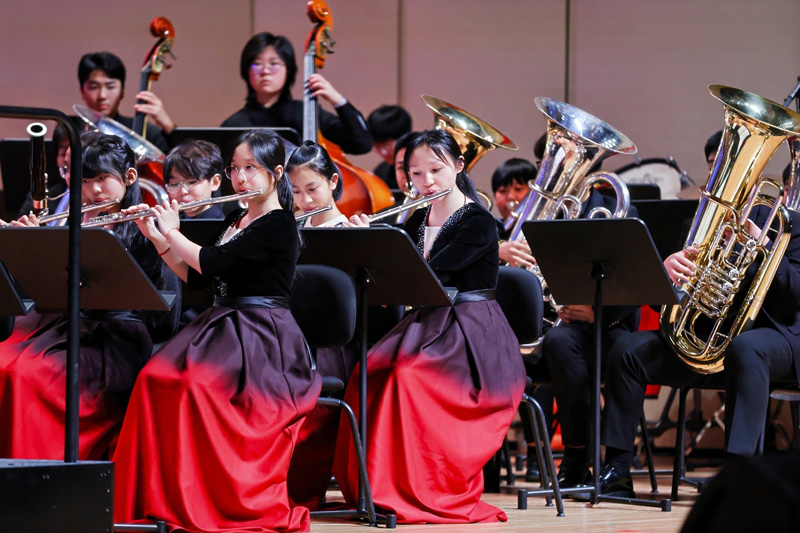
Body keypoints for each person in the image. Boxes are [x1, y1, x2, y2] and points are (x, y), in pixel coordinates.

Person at [113, 129, 321, 532]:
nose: (240, 178)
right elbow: (197, 278)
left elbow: (210, 261)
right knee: (155, 377)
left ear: (277, 172)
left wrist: (172, 230)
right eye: (234, 169)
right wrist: (155, 236)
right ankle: (161, 496)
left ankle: (202, 498)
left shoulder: (279, 222)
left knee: (197, 388)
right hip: (223, 323)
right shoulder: (235, 218)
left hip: (262, 334)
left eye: (250, 168)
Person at [335, 130, 525, 523]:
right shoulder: (417, 218)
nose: (427, 181)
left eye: (436, 170)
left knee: (406, 375)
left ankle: (414, 489)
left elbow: (426, 276)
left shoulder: (479, 222)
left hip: (471, 331)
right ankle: (374, 486)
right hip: (428, 322)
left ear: (459, 166)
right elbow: (393, 277)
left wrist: (379, 245)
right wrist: (363, 243)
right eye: (416, 173)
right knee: (368, 370)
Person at [594, 203, 800, 497]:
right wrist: (665, 272)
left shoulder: (788, 224)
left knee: (746, 348)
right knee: (627, 350)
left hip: (775, 336)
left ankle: (738, 478)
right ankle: (617, 470)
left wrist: (765, 245)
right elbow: (664, 305)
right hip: (707, 338)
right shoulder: (698, 223)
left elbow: (796, 294)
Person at [0, 132, 179, 460]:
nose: (93, 190)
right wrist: (31, 245)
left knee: (23, 375)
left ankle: (41, 470)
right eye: (84, 180)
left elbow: (165, 314)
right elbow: (50, 288)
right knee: (4, 367)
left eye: (101, 178)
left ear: (129, 176)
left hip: (115, 339)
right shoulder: (76, 218)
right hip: (69, 329)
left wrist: (158, 236)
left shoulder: (145, 224)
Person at [221, 32, 372, 155]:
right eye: (257, 64)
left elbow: (361, 143)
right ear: (246, 71)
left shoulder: (306, 114)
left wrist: (337, 100)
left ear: (289, 70)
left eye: (274, 64)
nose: (265, 71)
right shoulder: (233, 125)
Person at [78, 52, 174, 153]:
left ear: (122, 91)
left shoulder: (148, 133)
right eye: (94, 87)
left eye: (110, 87)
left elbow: (179, 158)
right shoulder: (71, 131)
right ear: (82, 91)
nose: (102, 95)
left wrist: (169, 126)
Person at [287, 140, 347, 227]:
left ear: (333, 181)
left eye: (312, 189)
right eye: (296, 191)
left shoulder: (345, 230)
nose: (306, 200)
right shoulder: (296, 223)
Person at [163, 139, 224, 219]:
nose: (183, 191)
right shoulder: (169, 221)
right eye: (174, 184)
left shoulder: (227, 225)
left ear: (215, 182)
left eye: (191, 182)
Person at [492, 157, 536, 268]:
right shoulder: (489, 229)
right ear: (495, 198)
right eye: (503, 191)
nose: (510, 197)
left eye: (518, 189)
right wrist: (496, 250)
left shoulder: (542, 228)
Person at [367, 104, 413, 189]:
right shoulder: (381, 172)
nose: (382, 153)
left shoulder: (427, 170)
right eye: (377, 147)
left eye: (386, 146)